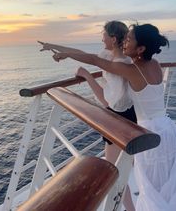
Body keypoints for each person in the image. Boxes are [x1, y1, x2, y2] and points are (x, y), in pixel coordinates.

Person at [39, 23, 176, 211]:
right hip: (168, 130)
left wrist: (67, 55)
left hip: (150, 132)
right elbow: (96, 58)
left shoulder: (131, 70)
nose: (125, 43)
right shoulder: (155, 64)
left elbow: (94, 60)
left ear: (141, 48)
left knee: (151, 188)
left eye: (129, 40)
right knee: (163, 189)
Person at [38, 20, 137, 211]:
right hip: (129, 118)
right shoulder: (118, 57)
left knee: (114, 171)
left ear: (113, 38)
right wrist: (54, 47)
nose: (101, 38)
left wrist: (87, 75)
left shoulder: (117, 65)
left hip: (118, 121)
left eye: (103, 34)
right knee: (124, 168)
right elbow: (86, 55)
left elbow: (109, 102)